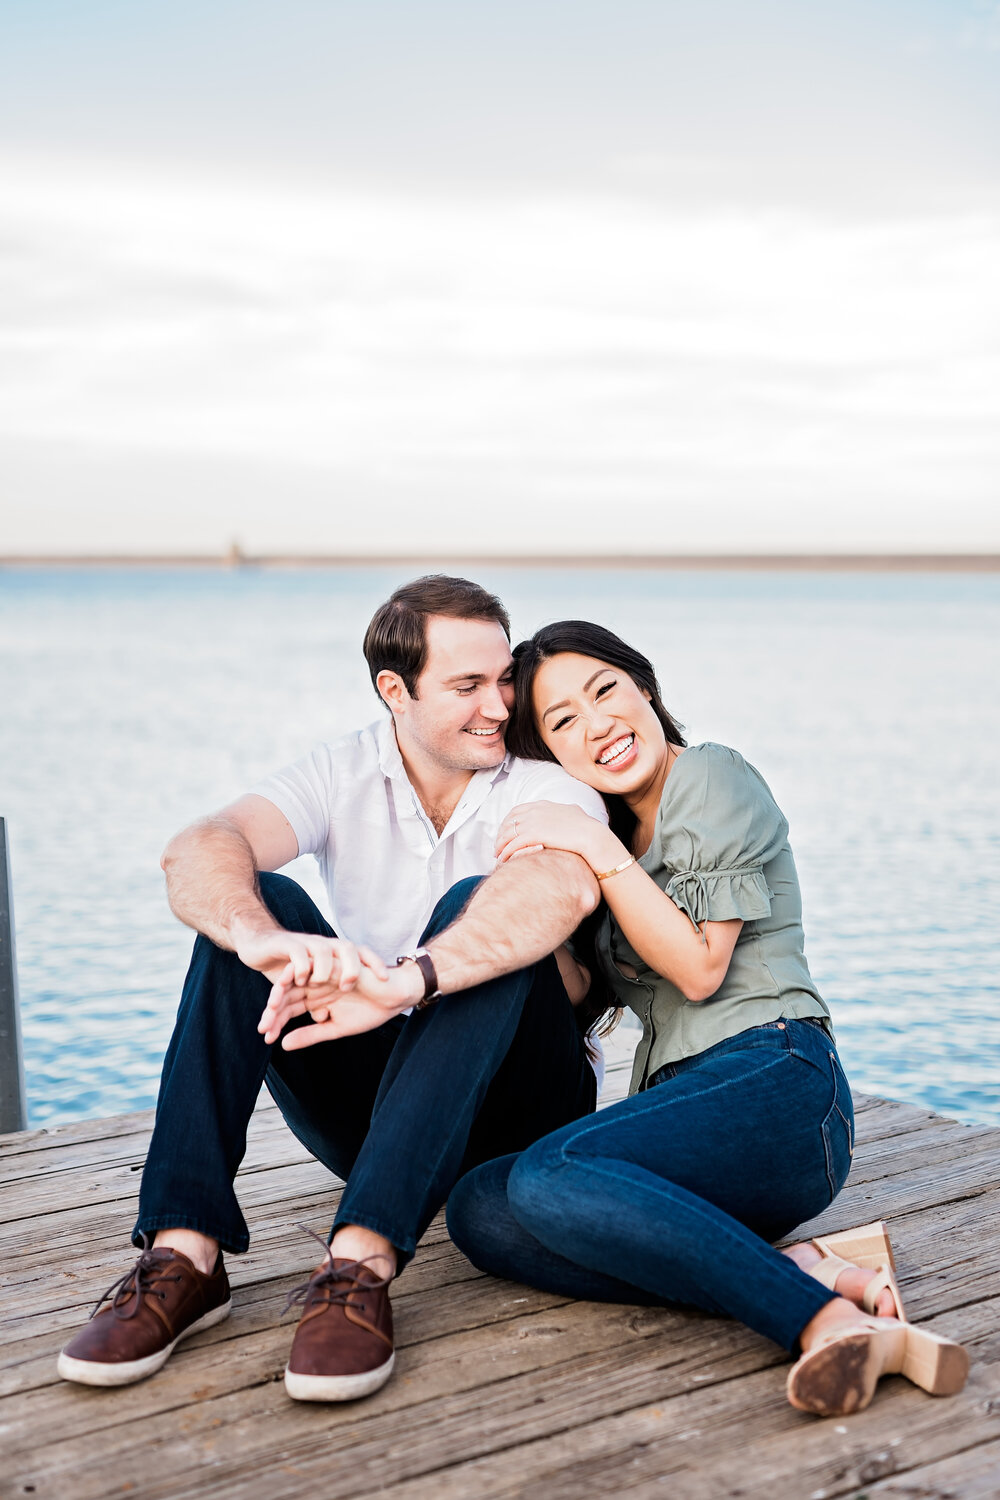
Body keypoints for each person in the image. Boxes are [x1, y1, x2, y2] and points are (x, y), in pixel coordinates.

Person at [58, 577, 609, 1402]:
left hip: (519, 1116)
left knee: (479, 915)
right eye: (467, 686)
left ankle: (358, 1265)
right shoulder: (343, 769)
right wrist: (260, 937)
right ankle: (185, 1252)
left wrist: (409, 980)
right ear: (396, 690)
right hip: (379, 1113)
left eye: (504, 678)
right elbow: (200, 844)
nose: (500, 705)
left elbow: (559, 890)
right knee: (254, 909)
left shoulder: (543, 782)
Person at [444, 620, 969, 1418]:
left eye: (604, 691)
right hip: (685, 1120)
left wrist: (594, 847)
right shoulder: (607, 838)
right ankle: (798, 1274)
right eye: (562, 722)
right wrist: (523, 892)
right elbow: (581, 991)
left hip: (779, 1081)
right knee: (483, 1208)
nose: (598, 725)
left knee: (550, 1173)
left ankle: (823, 1322)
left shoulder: (712, 778)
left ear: (643, 686)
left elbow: (697, 966)